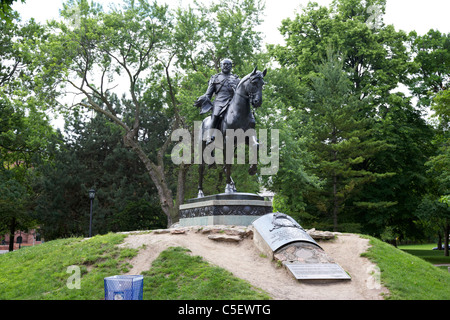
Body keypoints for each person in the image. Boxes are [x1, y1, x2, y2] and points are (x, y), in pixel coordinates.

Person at [194, 58, 240, 142]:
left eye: (228, 64)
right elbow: (208, 94)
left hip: (233, 102)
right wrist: (203, 99)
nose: (226, 66)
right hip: (220, 102)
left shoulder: (236, 79)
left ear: (231, 66)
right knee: (215, 115)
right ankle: (209, 136)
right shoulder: (215, 78)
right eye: (224, 64)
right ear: (221, 66)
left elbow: (239, 93)